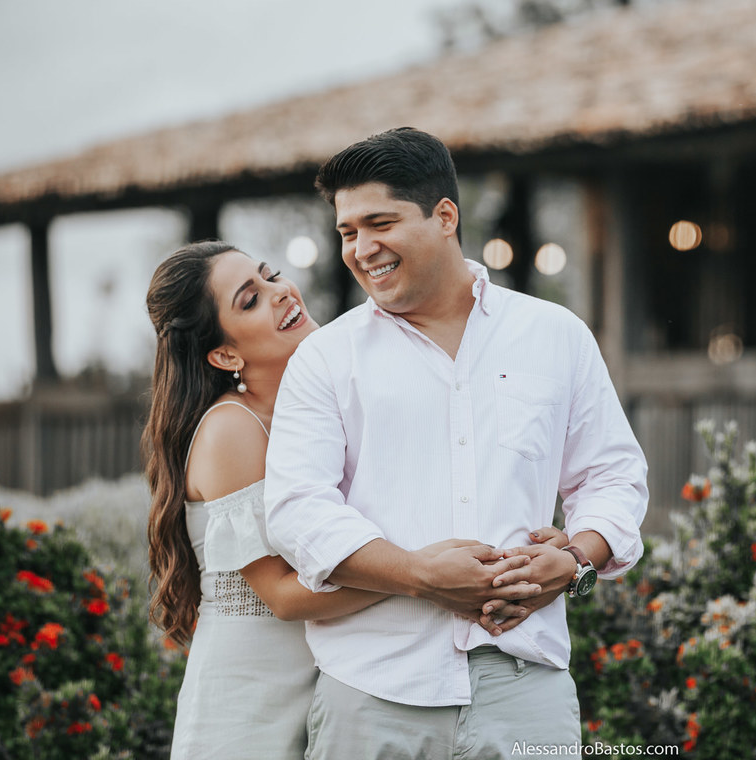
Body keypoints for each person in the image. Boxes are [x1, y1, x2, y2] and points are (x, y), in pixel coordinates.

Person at [263, 126, 650, 759]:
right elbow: (297, 508)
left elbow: (612, 475)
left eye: (379, 223)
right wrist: (416, 573)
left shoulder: (556, 335)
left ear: (445, 216)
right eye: (347, 232)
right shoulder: (326, 358)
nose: (361, 249)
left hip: (527, 685)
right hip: (373, 691)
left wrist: (577, 560)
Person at [142, 241, 567, 759]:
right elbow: (281, 595)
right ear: (225, 354)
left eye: (270, 275)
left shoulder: (334, 405)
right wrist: (420, 575)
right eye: (250, 299)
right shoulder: (232, 429)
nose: (280, 293)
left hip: (336, 676)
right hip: (253, 695)